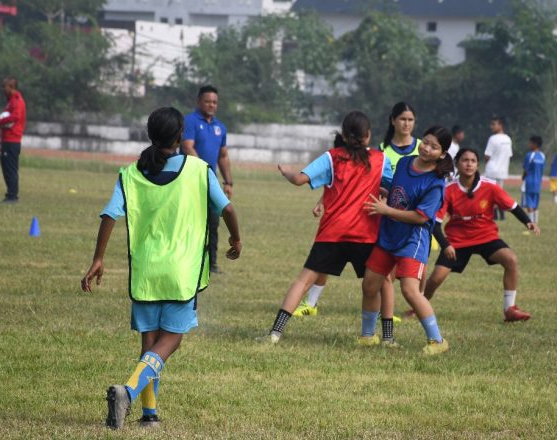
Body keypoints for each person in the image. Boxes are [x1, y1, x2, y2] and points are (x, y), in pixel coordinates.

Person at [81, 107, 242, 430]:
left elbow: (110, 215)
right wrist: (236, 239)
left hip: (145, 271)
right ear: (181, 136)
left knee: (149, 342)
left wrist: (98, 259)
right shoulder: (197, 169)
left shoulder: (130, 173)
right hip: (181, 272)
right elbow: (227, 208)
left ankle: (149, 415)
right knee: (170, 341)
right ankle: (127, 392)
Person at [257, 111, 392, 345]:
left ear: (344, 134)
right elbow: (393, 190)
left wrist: (287, 170)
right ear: (368, 135)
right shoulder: (381, 160)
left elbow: (300, 179)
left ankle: (275, 334)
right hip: (366, 235)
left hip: (333, 233)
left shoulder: (333, 157)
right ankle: (380, 337)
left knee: (303, 281)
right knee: (384, 283)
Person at [292, 102, 417, 320]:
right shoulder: (381, 151)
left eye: (410, 119)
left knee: (399, 270)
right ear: (392, 121)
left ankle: (396, 314)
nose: (406, 124)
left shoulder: (422, 149)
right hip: (366, 219)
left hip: (391, 214)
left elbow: (400, 186)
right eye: (402, 119)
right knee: (376, 272)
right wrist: (325, 198)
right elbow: (346, 180)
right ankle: (314, 303)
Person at [360, 125, 454, 355]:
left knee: (410, 291)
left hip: (413, 240)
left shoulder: (435, 182)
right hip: (389, 234)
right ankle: (367, 336)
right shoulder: (404, 163)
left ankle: (438, 341)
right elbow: (394, 190)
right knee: (370, 284)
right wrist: (373, 188)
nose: (427, 148)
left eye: (434, 147)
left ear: (442, 154)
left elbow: (420, 217)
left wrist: (385, 211)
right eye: (426, 142)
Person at [426, 148, 537, 322]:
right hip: (457, 241)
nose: (469, 164)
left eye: (473, 161)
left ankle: (510, 309)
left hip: (486, 237)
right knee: (436, 278)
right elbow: (436, 224)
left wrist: (527, 221)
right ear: (457, 164)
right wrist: (446, 244)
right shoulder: (448, 190)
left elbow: (512, 206)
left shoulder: (489, 186)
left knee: (511, 260)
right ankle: (419, 305)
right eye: (465, 160)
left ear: (478, 164)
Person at [181, 85, 233, 274]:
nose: (211, 105)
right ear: (199, 102)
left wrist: (228, 182)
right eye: (207, 101)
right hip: (191, 180)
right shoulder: (190, 121)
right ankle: (189, 262)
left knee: (213, 222)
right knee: (191, 222)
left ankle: (211, 264)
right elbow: (188, 147)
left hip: (211, 181)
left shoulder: (220, 127)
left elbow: (223, 156)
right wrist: (202, 170)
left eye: (214, 102)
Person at [0, 76, 26, 204]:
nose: (3, 89)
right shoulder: (10, 101)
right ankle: (10, 194)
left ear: (11, 87)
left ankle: (13, 196)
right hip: (6, 139)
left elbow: (15, 117)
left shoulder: (17, 101)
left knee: (11, 168)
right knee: (6, 167)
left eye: (5, 86)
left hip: (12, 140)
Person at [484, 116, 512, 220]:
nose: (491, 127)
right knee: (499, 194)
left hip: (491, 171)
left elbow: (487, 155)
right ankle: (502, 215)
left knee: (489, 195)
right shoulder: (508, 139)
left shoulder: (492, 139)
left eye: (493, 124)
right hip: (502, 171)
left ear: (500, 125)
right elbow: (509, 155)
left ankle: (494, 215)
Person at [521, 135, 546, 225]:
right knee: (535, 204)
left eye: (530, 143)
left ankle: (531, 224)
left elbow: (526, 169)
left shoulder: (529, 155)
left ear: (535, 144)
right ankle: (536, 222)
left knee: (529, 204)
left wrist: (523, 178)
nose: (529, 145)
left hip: (529, 182)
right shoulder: (542, 156)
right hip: (538, 183)